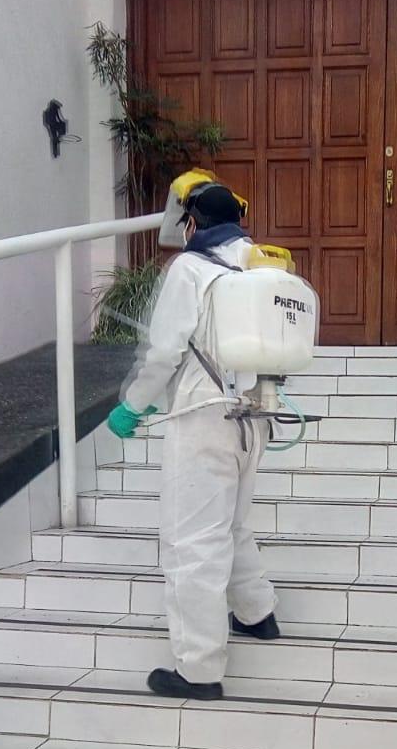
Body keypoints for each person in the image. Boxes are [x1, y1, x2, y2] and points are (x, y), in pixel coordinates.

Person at [107, 182, 279, 701]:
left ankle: (199, 669)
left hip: (205, 415)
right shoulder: (259, 264)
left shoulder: (190, 268)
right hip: (254, 414)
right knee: (231, 522)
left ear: (191, 223)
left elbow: (164, 351)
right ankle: (257, 614)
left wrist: (133, 403)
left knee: (192, 541)